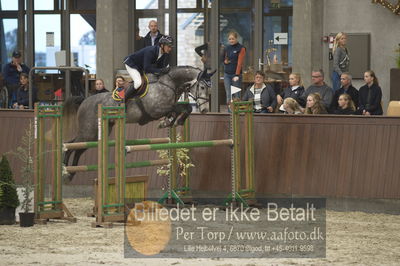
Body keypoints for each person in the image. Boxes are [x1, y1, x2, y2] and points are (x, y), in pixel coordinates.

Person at [122, 35, 173, 100]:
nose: (170, 49)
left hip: (140, 67)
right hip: (131, 64)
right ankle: (123, 100)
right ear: (162, 45)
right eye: (168, 47)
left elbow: (161, 68)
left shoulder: (164, 54)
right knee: (138, 82)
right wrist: (161, 71)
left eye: (171, 47)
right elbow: (147, 68)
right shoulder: (151, 51)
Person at [222, 31, 246, 105]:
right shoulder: (227, 48)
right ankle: (230, 113)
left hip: (235, 75)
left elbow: (240, 63)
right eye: (229, 39)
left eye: (232, 39)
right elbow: (224, 59)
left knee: (236, 94)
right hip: (227, 74)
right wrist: (225, 61)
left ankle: (237, 113)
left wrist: (237, 75)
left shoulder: (241, 48)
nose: (231, 40)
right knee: (228, 94)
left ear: (236, 38)